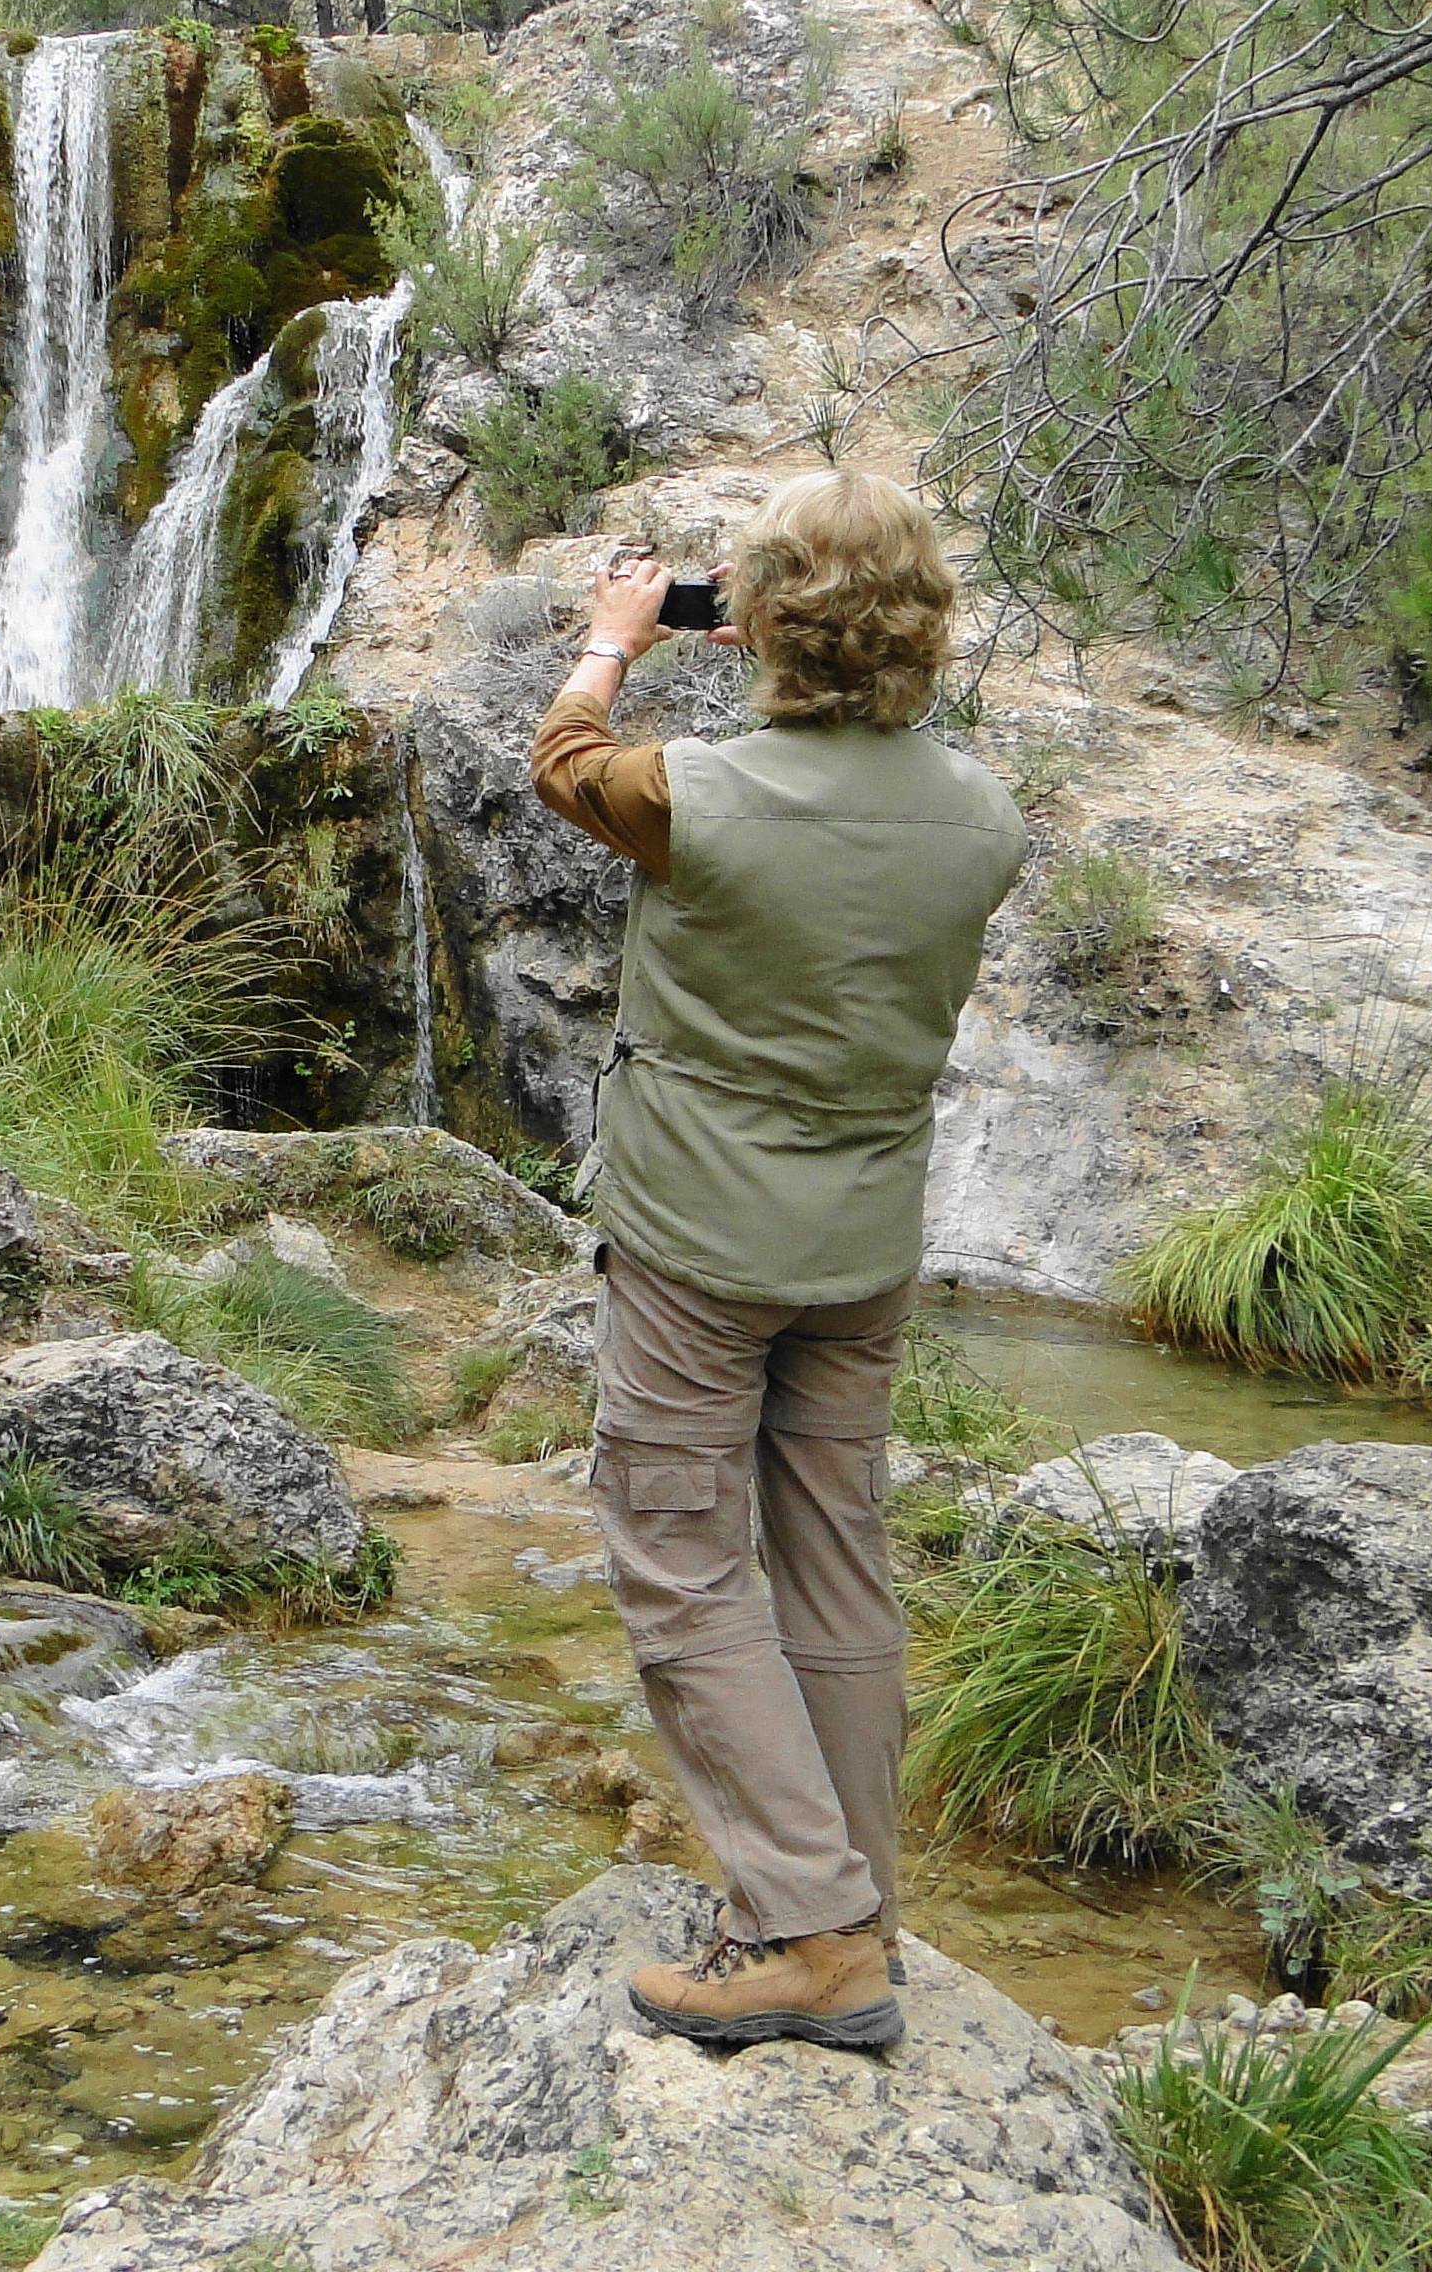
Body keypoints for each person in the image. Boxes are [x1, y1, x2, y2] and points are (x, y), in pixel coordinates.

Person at [529, 468, 1027, 2053]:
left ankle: (808, 1936)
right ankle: (851, 1903)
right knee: (835, 1558)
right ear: (921, 631)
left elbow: (565, 761)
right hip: (864, 1243)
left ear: (754, 624)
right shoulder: (986, 822)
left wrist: (616, 638)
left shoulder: (698, 795)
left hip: (697, 1240)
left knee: (678, 1554)